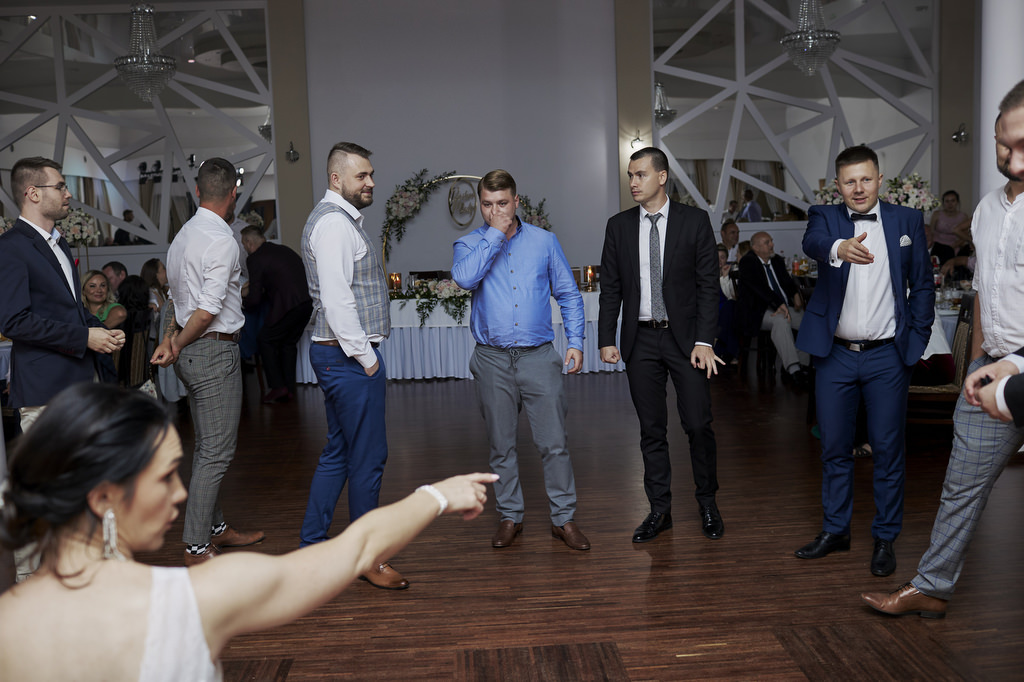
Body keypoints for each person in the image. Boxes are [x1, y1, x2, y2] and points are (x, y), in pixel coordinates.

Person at [0, 382, 496, 681]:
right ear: (103, 497)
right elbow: (356, 549)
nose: (180, 492)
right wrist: (436, 496)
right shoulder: (193, 600)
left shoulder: (9, 622)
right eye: (166, 476)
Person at [861, 81, 1024, 617]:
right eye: (1003, 143)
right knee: (960, 485)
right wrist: (976, 362)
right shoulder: (987, 210)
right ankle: (931, 586)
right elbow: (984, 294)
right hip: (992, 369)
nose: (1012, 157)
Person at [794, 144, 934, 577]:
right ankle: (836, 530)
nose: (858, 188)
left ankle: (885, 537)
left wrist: (916, 339)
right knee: (834, 447)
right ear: (838, 186)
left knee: (888, 450)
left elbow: (922, 285)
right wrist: (839, 247)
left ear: (879, 180)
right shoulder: (824, 217)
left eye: (866, 179)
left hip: (888, 357)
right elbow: (813, 242)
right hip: (835, 355)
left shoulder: (906, 220)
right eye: (850, 181)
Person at [451, 169, 589, 551]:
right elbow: (465, 279)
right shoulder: (468, 244)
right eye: (487, 204)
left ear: (516, 202)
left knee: (554, 444)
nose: (495, 211)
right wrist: (495, 234)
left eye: (502, 203)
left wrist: (576, 341)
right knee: (501, 446)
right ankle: (510, 516)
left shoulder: (545, 242)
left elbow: (569, 294)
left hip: (539, 357)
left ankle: (563, 519)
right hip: (492, 360)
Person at [598, 146, 725, 544]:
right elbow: (610, 288)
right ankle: (659, 510)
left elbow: (709, 286)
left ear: (662, 176)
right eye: (630, 175)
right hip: (640, 339)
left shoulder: (694, 221)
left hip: (686, 340)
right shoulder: (618, 226)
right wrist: (606, 338)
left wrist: (704, 340)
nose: (633, 182)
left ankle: (708, 503)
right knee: (651, 429)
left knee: (698, 424)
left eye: (640, 174)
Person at [299, 142, 406, 589]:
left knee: (340, 452)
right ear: (336, 179)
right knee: (368, 457)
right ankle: (366, 558)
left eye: (371, 174)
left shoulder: (336, 220)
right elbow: (338, 300)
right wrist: (367, 358)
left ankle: (312, 545)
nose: (371, 183)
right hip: (347, 358)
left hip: (336, 355)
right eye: (362, 176)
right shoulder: (334, 225)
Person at [152, 157, 264, 567]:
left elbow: (173, 298)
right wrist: (176, 343)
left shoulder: (182, 236)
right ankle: (196, 547)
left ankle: (215, 528)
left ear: (198, 191)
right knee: (216, 452)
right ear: (233, 194)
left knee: (206, 447)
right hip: (212, 352)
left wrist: (170, 339)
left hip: (193, 352)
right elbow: (204, 312)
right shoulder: (222, 240)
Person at [0, 157, 124, 434]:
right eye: (60, 187)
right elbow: (14, 322)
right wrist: (84, 337)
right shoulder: (10, 247)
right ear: (33, 193)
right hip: (46, 389)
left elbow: (71, 308)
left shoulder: (59, 244)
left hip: (81, 382)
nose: (68, 194)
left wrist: (102, 331)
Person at [240, 225, 313, 403]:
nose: (244, 248)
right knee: (288, 344)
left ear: (249, 242)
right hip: (306, 304)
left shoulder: (255, 258)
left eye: (243, 244)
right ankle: (288, 388)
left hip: (288, 305)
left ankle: (277, 387)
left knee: (264, 339)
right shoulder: (283, 250)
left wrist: (241, 302)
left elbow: (255, 298)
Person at [736, 231, 809, 386]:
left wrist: (795, 294)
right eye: (767, 242)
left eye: (771, 241)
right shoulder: (748, 262)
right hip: (758, 312)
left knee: (806, 320)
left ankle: (804, 365)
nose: (772, 245)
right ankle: (793, 369)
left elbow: (787, 281)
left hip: (783, 307)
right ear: (755, 248)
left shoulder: (776, 260)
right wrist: (778, 304)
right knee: (781, 320)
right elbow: (759, 288)